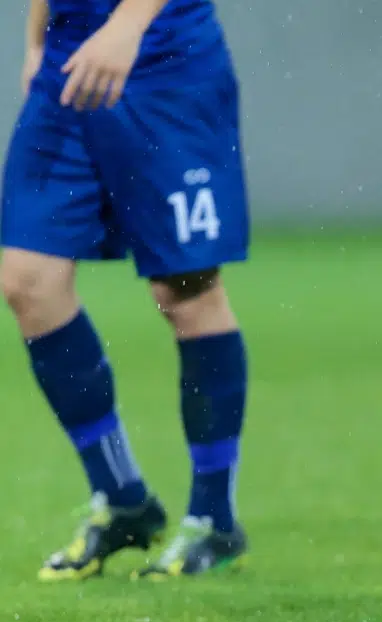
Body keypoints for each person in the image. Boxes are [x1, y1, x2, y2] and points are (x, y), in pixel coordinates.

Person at [2, 0, 250, 581]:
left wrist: (128, 24)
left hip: (166, 64)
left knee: (185, 291)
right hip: (69, 65)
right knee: (27, 283)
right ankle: (122, 498)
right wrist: (36, 41)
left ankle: (214, 519)